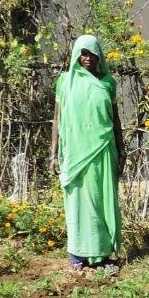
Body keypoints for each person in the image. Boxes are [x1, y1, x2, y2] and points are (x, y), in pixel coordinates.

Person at [50, 34, 124, 274]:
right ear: (75, 55)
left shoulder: (108, 83)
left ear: (99, 55)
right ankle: (77, 254)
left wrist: (122, 152)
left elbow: (116, 121)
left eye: (92, 53)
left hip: (102, 150)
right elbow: (57, 120)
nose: (87, 58)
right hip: (75, 153)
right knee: (78, 203)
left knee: (101, 202)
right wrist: (53, 154)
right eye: (83, 53)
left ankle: (101, 255)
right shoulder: (65, 82)